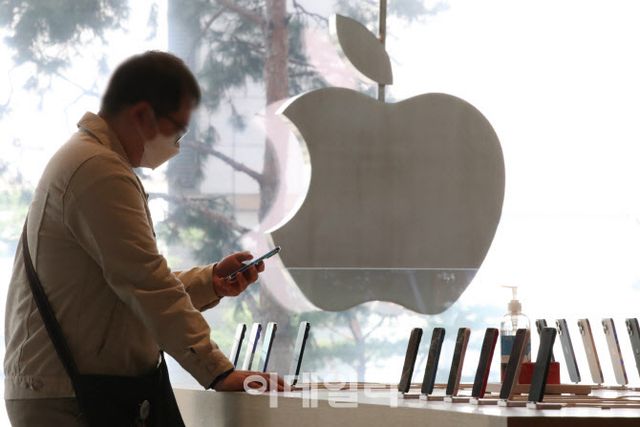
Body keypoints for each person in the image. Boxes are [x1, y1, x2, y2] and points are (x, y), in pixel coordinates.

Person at [4, 50, 284, 426]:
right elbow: (146, 283)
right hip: (72, 397)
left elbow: (127, 286)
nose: (177, 146)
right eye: (177, 131)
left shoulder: (86, 160)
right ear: (141, 116)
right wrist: (217, 371)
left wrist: (211, 282)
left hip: (68, 389)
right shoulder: (98, 170)